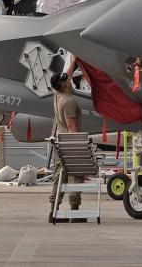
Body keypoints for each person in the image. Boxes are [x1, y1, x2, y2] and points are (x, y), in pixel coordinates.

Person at [48, 56, 83, 222]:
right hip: (68, 145)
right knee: (75, 175)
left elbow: (65, 76)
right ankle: (75, 212)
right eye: (67, 80)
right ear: (65, 85)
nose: (69, 80)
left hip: (58, 144)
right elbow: (72, 129)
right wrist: (80, 150)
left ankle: (53, 212)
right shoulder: (69, 102)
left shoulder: (57, 94)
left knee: (58, 177)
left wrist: (73, 62)